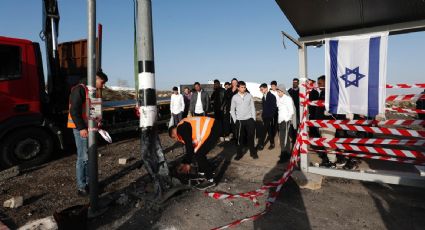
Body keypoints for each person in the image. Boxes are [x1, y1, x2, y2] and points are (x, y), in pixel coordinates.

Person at [68, 70, 108, 196]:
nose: (104, 85)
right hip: (82, 129)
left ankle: (91, 184)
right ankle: (82, 187)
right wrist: (81, 128)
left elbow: (93, 110)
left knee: (90, 157)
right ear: (95, 78)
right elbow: (74, 111)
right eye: (102, 82)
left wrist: (97, 123)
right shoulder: (79, 89)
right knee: (83, 158)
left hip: (90, 128)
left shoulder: (92, 91)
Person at [168, 116, 220, 190]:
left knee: (200, 155)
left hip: (212, 127)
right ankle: (202, 173)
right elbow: (192, 148)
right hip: (213, 126)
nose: (176, 139)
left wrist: (187, 163)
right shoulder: (183, 125)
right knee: (198, 153)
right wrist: (184, 162)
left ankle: (210, 180)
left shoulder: (181, 129)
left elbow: (189, 147)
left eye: (174, 137)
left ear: (173, 133)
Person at [230, 81, 258, 160]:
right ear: (238, 88)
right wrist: (235, 120)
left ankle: (253, 153)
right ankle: (239, 154)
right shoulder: (234, 97)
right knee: (240, 139)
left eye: (244, 87)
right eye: (242, 87)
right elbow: (232, 110)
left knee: (251, 137)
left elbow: (253, 107)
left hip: (249, 120)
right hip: (239, 120)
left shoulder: (249, 96)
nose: (243, 88)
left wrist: (253, 119)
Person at [275, 84, 296, 163]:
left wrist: (286, 119)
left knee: (283, 139)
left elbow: (291, 111)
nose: (278, 93)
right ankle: (287, 154)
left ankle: (283, 156)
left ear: (283, 91)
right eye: (277, 91)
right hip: (280, 121)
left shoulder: (288, 99)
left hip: (285, 121)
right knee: (285, 138)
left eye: (279, 91)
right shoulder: (279, 98)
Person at [257, 83, 277, 150]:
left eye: (261, 89)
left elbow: (274, 108)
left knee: (263, 130)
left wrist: (271, 116)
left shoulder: (272, 96)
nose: (261, 90)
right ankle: (272, 143)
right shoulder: (263, 97)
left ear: (266, 88)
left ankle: (261, 144)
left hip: (270, 117)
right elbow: (263, 107)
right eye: (260, 89)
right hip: (265, 117)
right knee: (269, 131)